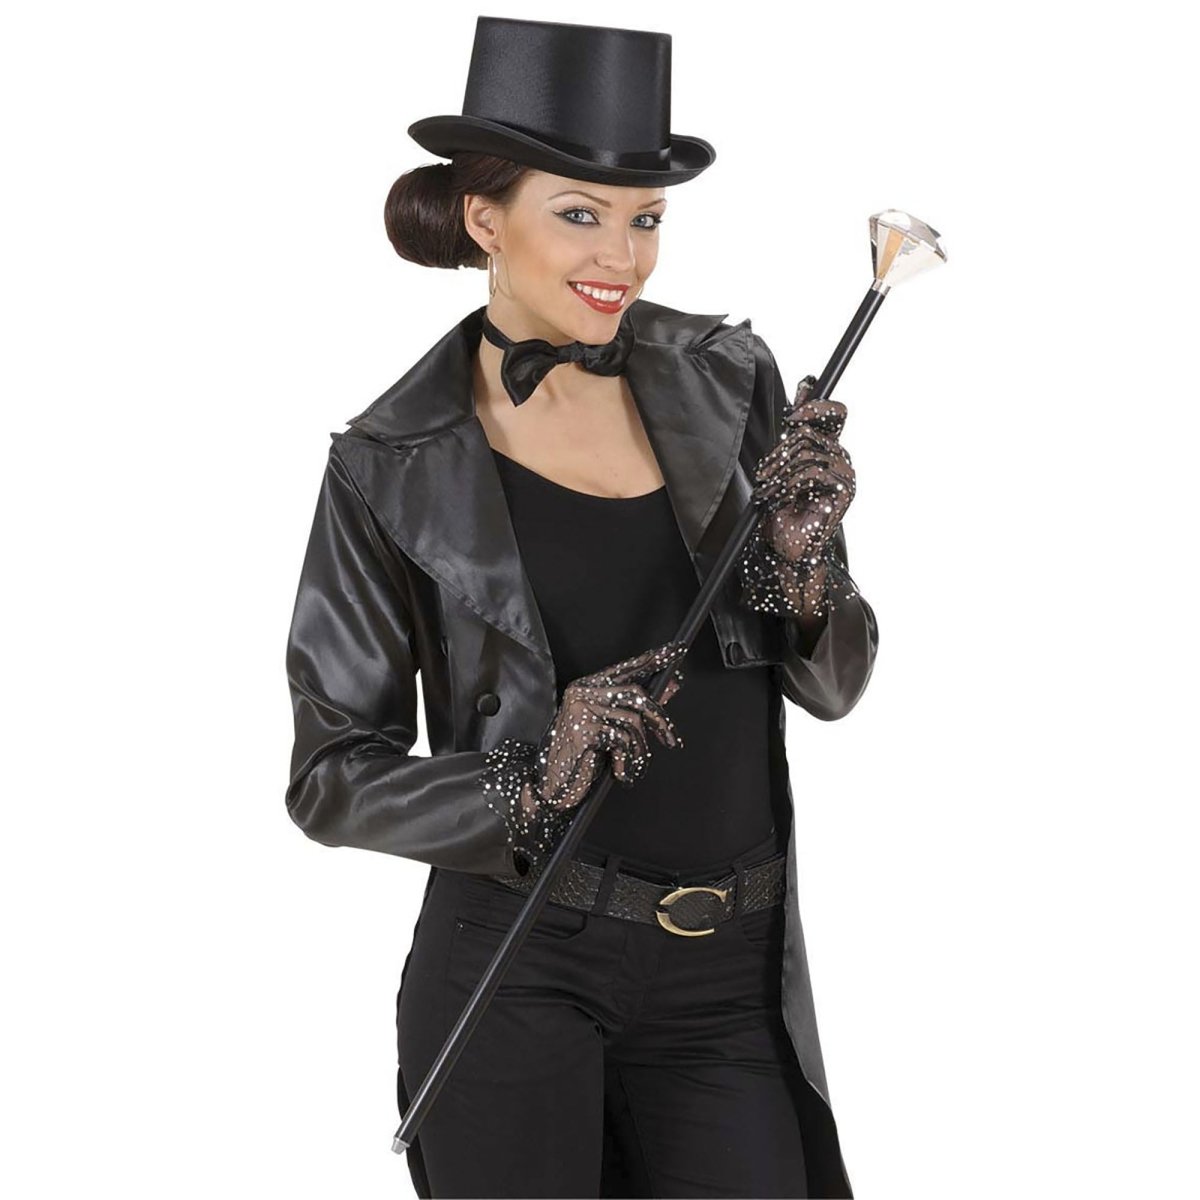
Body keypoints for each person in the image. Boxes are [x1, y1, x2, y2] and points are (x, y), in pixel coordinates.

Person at [284, 15, 878, 1199]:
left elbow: (834, 686)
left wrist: (805, 569)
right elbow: (330, 778)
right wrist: (531, 774)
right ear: (483, 219)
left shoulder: (731, 380)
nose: (624, 256)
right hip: (519, 965)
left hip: (732, 972)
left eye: (644, 218)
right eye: (580, 214)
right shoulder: (390, 464)